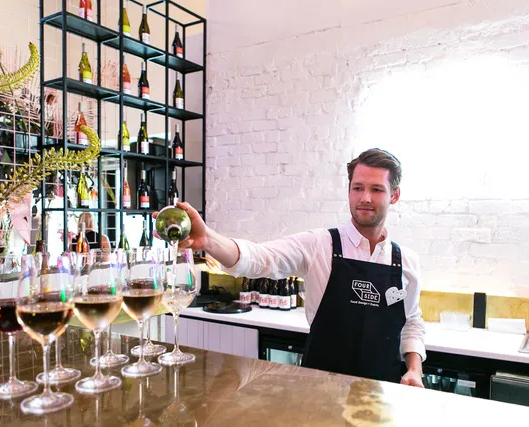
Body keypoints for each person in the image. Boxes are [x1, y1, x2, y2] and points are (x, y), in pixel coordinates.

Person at [155, 148, 425, 387]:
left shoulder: (406, 262)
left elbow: (411, 320)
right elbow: (260, 258)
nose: (364, 197)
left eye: (376, 189)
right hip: (320, 390)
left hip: (384, 392)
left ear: (395, 195)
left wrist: (414, 368)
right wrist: (208, 240)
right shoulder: (320, 244)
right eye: (357, 188)